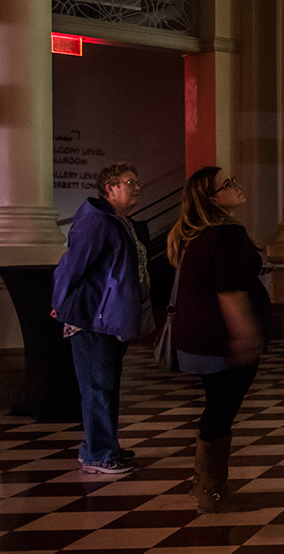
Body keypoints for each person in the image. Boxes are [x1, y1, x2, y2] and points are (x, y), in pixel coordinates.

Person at [167, 166, 271, 512]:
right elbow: (229, 290)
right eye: (227, 184)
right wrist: (245, 334)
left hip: (199, 337)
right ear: (209, 199)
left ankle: (207, 482)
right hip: (220, 339)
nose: (236, 186)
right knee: (221, 410)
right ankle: (210, 487)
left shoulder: (195, 234)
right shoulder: (227, 233)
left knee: (218, 407)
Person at [52, 162, 153, 475]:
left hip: (108, 318)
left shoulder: (120, 220)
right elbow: (71, 266)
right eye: (129, 182)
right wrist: (60, 302)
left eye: (138, 182)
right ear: (110, 187)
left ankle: (102, 445)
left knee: (105, 386)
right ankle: (98, 453)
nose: (137, 187)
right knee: (97, 388)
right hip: (92, 318)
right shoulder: (97, 220)